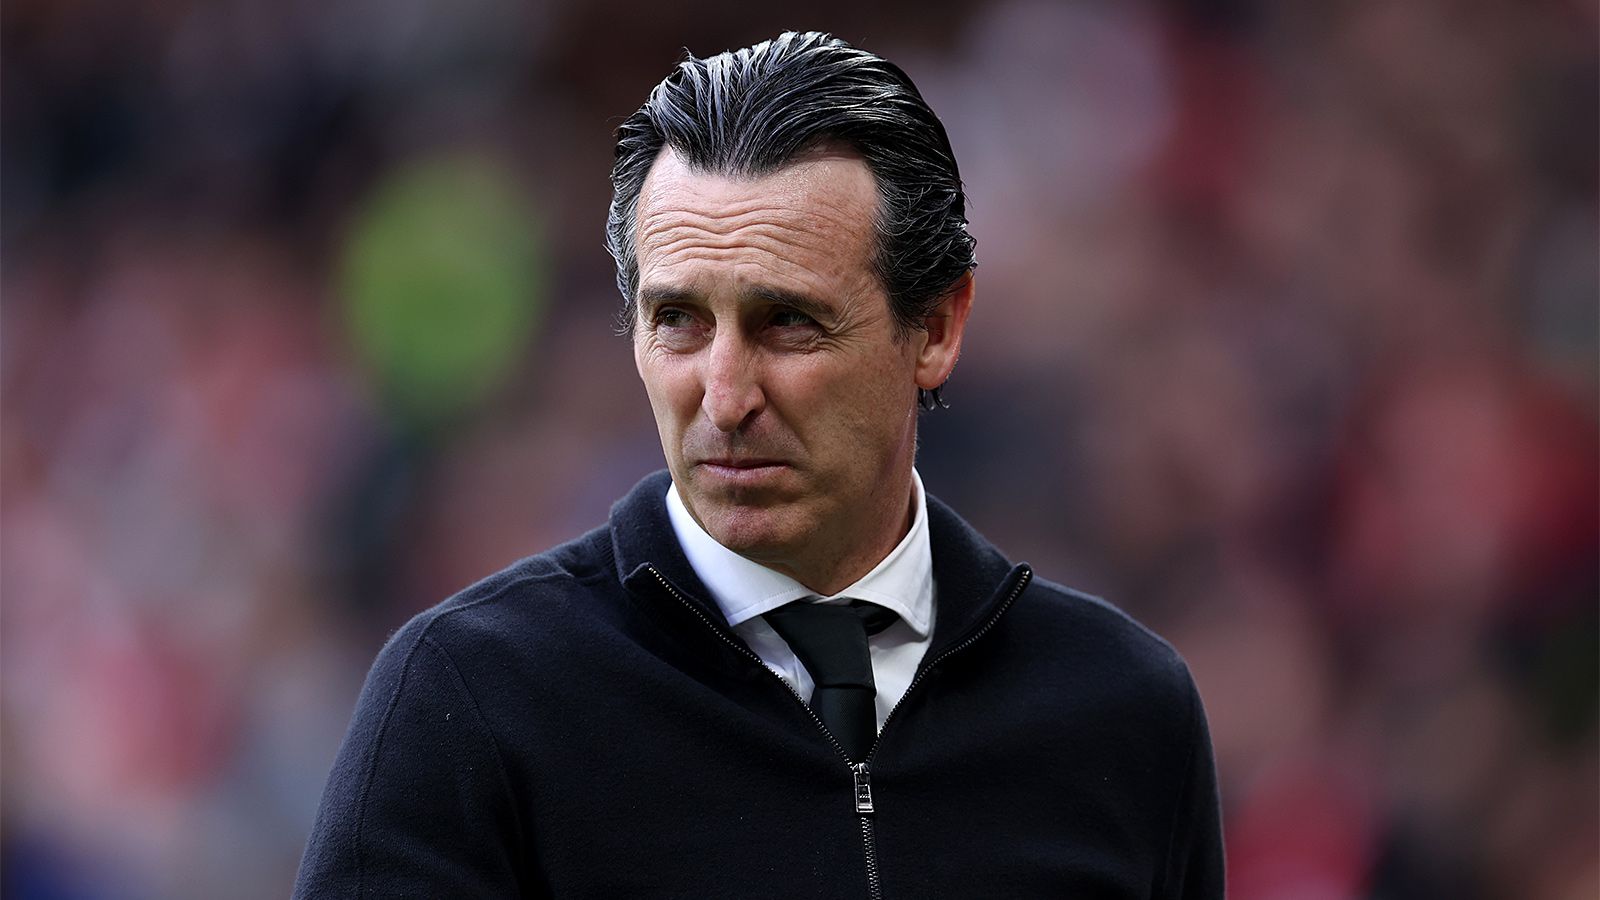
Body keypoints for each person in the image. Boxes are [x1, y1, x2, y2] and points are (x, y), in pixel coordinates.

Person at [295, 31, 1223, 898]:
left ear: (937, 329)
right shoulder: (469, 702)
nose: (725, 395)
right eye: (679, 321)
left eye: (787, 322)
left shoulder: (1123, 710)